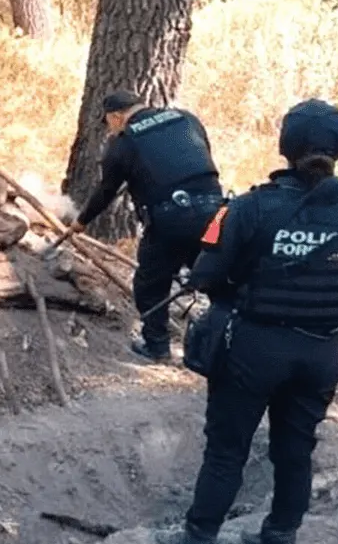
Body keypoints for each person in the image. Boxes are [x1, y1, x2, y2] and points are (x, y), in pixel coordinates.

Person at [155, 98, 338, 544]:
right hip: (320, 351)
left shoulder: (250, 206)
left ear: (285, 146)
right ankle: (279, 543)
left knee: (228, 447)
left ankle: (199, 542)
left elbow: (207, 274)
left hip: (253, 348)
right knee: (296, 448)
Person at [72, 90, 224, 361]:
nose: (108, 129)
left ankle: (157, 346)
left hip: (169, 219)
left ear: (117, 116)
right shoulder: (186, 118)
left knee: (151, 282)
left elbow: (106, 190)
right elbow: (202, 156)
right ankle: (225, 343)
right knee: (216, 278)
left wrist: (82, 221)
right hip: (215, 212)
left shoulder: (124, 143)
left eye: (107, 122)